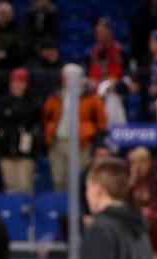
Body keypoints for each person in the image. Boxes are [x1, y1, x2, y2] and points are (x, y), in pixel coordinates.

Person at [42, 65, 109, 193]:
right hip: (58, 143)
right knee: (59, 179)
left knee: (78, 179)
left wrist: (99, 144)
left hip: (81, 144)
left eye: (71, 77)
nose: (67, 81)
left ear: (80, 79)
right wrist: (48, 136)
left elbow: (101, 123)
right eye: (65, 78)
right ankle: (60, 204)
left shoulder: (91, 98)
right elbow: (46, 117)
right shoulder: (54, 97)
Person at [0, 69, 40, 195]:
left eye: (20, 82)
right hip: (6, 150)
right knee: (10, 186)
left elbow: (29, 116)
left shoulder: (32, 101)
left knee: (25, 185)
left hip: (25, 151)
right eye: (14, 81)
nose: (17, 85)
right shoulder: (2, 101)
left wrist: (12, 113)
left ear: (26, 84)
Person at [87, 18, 126, 84]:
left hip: (114, 85)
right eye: (98, 31)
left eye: (102, 31)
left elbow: (126, 74)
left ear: (110, 32)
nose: (99, 33)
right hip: (95, 86)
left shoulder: (120, 50)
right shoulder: (93, 52)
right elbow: (88, 74)